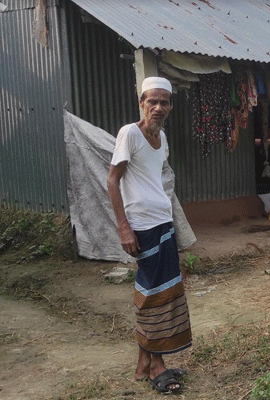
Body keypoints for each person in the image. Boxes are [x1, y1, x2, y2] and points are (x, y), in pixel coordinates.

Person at [107, 77, 191, 394]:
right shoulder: (130, 134)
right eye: (152, 101)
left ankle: (143, 365)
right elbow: (113, 181)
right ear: (141, 102)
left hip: (163, 221)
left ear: (170, 106)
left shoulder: (163, 138)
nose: (158, 107)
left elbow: (157, 182)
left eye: (164, 102)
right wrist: (123, 227)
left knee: (166, 291)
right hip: (141, 225)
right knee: (153, 295)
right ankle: (157, 364)